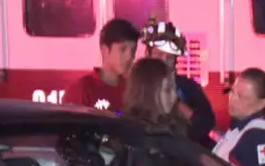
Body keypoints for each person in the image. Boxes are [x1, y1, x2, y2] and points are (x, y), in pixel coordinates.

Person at [140, 18, 217, 147]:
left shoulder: (187, 87)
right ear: (148, 55)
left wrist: (181, 107)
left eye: (169, 57)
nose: (164, 62)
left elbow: (206, 123)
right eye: (159, 55)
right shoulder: (138, 86)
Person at [62, 18, 139, 112]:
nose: (129, 57)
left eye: (133, 50)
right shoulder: (82, 89)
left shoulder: (132, 90)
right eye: (122, 49)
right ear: (105, 50)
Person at [122, 57, 184, 134]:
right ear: (149, 92)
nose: (174, 95)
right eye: (167, 90)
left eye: (175, 89)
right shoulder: (127, 132)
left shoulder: (176, 126)